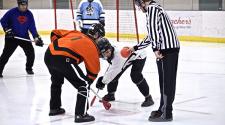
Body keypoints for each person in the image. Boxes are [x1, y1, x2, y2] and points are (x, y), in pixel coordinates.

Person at [44, 23, 105, 123]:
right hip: (64, 59)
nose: (100, 40)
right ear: (97, 35)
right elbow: (93, 72)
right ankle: (81, 114)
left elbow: (54, 32)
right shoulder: (92, 45)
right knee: (83, 84)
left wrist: (55, 44)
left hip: (49, 54)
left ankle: (54, 108)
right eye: (101, 37)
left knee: (56, 81)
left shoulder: (76, 33)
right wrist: (88, 84)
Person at [131, 0, 180, 122]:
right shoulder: (155, 8)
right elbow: (152, 35)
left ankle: (167, 113)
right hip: (168, 49)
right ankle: (163, 108)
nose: (138, 7)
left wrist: (155, 48)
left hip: (166, 50)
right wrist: (136, 47)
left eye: (138, 4)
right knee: (165, 81)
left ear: (143, 2)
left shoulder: (152, 9)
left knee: (166, 82)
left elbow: (153, 32)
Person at [95, 38, 154, 107]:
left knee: (135, 76)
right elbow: (112, 70)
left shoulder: (118, 56)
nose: (107, 54)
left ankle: (149, 98)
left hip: (139, 55)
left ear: (110, 48)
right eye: (104, 53)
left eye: (108, 51)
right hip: (126, 58)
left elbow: (113, 71)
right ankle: (111, 95)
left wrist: (103, 82)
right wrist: (104, 79)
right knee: (113, 75)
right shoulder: (111, 51)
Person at [0, 0, 43, 78]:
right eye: (22, 5)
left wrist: (36, 37)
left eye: (25, 5)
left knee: (30, 53)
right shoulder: (12, 12)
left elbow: (32, 27)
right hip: (12, 37)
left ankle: (29, 68)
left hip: (24, 37)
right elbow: (3, 20)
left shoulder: (29, 14)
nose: (24, 6)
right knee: (6, 55)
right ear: (18, 5)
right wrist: (7, 30)